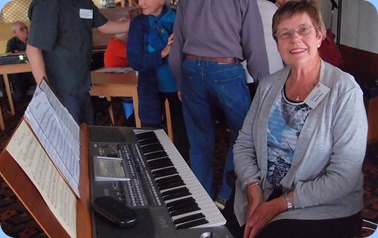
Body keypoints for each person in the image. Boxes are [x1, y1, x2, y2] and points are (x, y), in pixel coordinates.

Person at [233, 1, 367, 237]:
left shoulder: (345, 91)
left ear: (319, 36)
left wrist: (276, 206)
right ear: (277, 43)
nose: (294, 39)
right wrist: (253, 194)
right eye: (285, 33)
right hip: (263, 192)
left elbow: (343, 178)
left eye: (303, 29)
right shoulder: (268, 86)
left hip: (322, 206)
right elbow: (243, 145)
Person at [168, 0, 272, 209]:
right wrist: (265, 88)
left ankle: (202, 198)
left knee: (199, 140)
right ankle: (226, 194)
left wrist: (180, 80)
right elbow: (254, 43)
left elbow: (177, 41)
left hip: (191, 69)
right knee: (243, 136)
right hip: (226, 69)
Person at [26, 0, 130, 125]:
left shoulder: (84, 2)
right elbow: (33, 50)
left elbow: (105, 26)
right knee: (70, 134)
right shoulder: (48, 4)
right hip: (61, 87)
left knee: (86, 130)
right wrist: (46, 93)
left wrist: (137, 22)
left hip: (81, 82)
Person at [127, 0, 189, 161]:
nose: (141, 3)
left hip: (181, 85)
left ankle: (184, 168)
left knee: (183, 130)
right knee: (150, 134)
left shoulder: (180, 18)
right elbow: (135, 61)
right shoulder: (138, 23)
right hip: (150, 87)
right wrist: (163, 52)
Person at [5, 21, 35, 102]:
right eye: (22, 29)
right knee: (18, 96)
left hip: (32, 71)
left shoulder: (33, 39)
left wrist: (18, 52)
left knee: (40, 88)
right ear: (15, 33)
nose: (25, 30)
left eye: (26, 28)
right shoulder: (11, 42)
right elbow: (9, 57)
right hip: (19, 74)